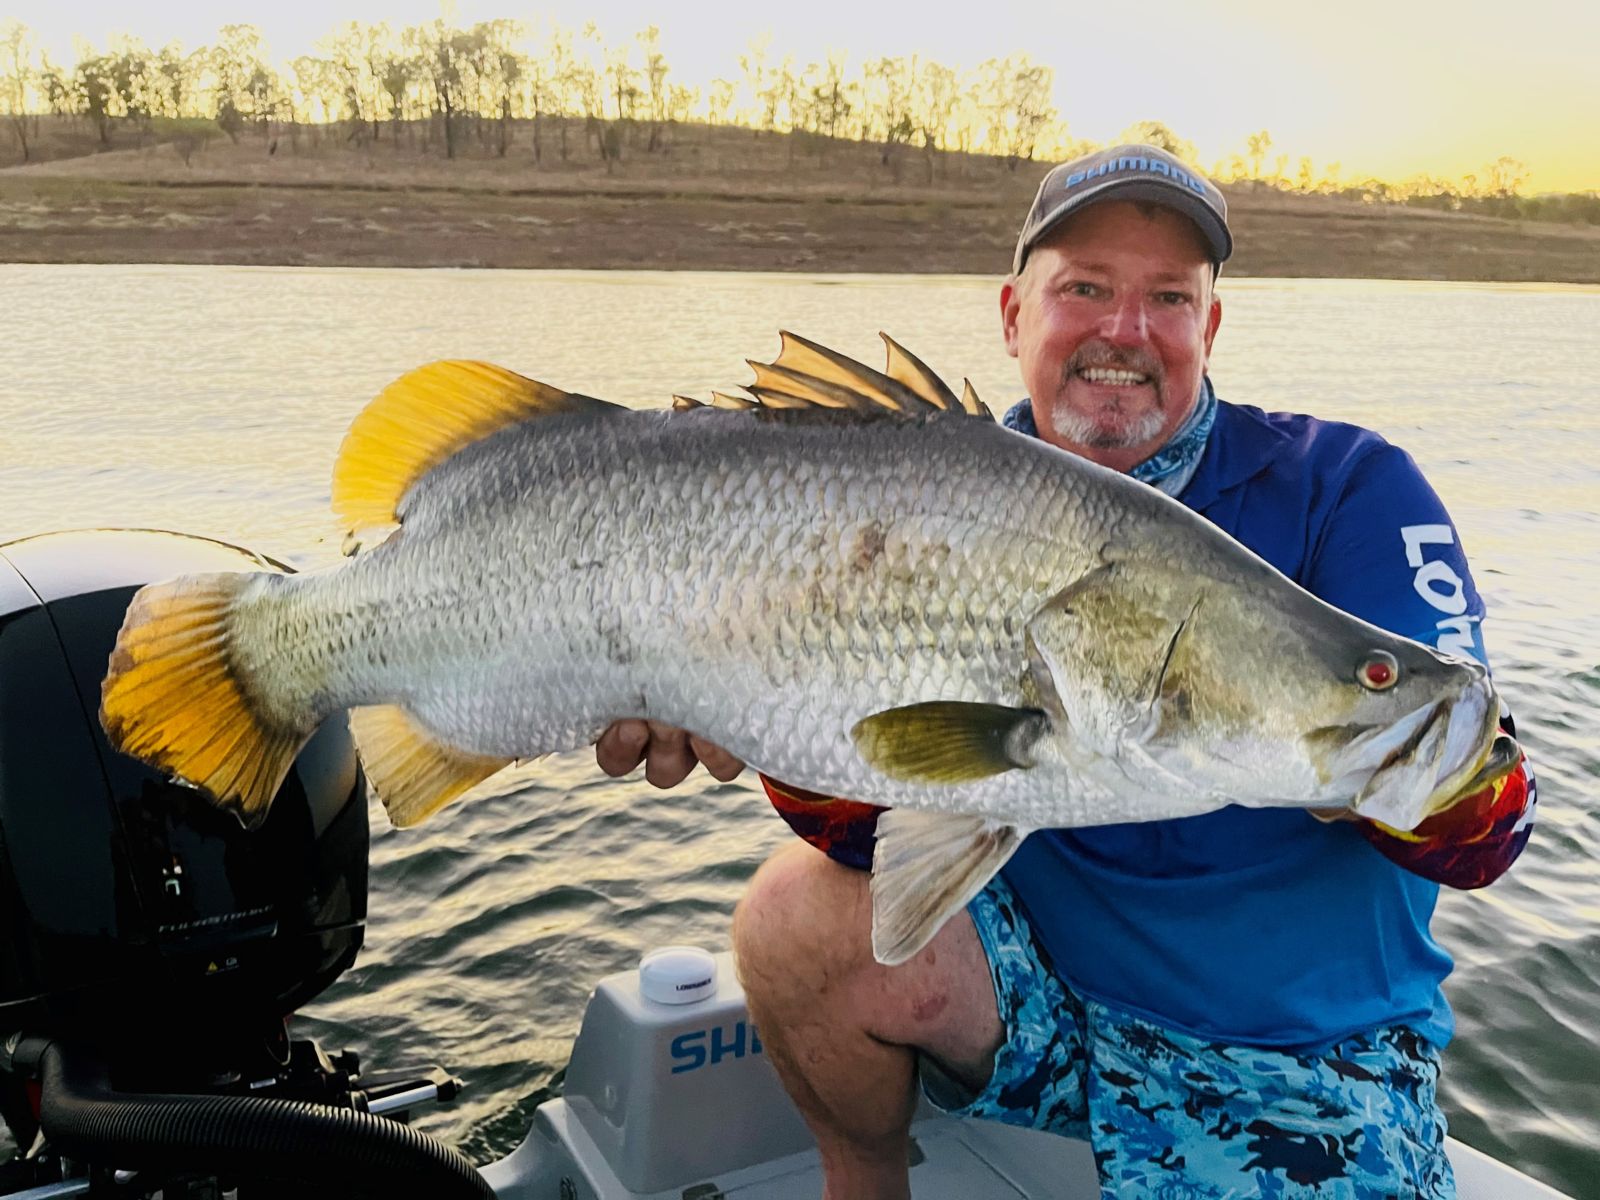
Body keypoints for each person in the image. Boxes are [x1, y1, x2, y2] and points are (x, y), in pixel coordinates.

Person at [595, 144, 1537, 1199]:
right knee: (793, 919)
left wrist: (1394, 769)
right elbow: (880, 823)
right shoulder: (907, 495)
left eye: (1167, 297)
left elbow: (1491, 833)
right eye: (1084, 286)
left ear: (1209, 326)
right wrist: (738, 716)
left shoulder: (1346, 487)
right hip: (1045, 1010)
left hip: (1306, 1066)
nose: (1123, 331)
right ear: (1011, 314)